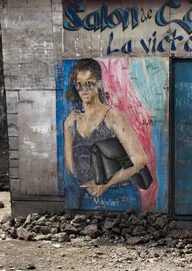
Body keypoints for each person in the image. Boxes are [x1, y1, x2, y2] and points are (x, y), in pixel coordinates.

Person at [63, 58, 148, 210]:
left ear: (99, 83)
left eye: (89, 83)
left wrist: (106, 184)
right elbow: (73, 169)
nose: (84, 89)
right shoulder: (74, 121)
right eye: (79, 84)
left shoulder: (112, 116)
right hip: (90, 196)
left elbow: (140, 159)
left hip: (121, 194)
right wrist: (67, 131)